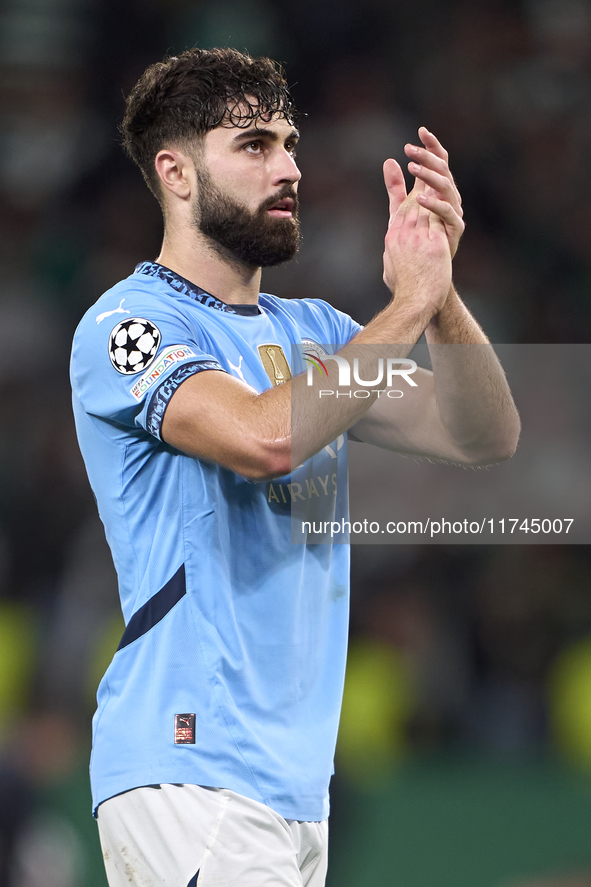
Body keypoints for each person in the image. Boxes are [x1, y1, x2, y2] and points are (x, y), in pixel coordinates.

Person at [70, 47, 520, 887]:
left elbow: (481, 435)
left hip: (291, 782)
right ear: (174, 171)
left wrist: (442, 296)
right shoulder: (129, 324)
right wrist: (406, 306)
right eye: (253, 146)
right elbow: (264, 437)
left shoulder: (313, 328)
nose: (288, 168)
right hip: (191, 758)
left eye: (288, 142)